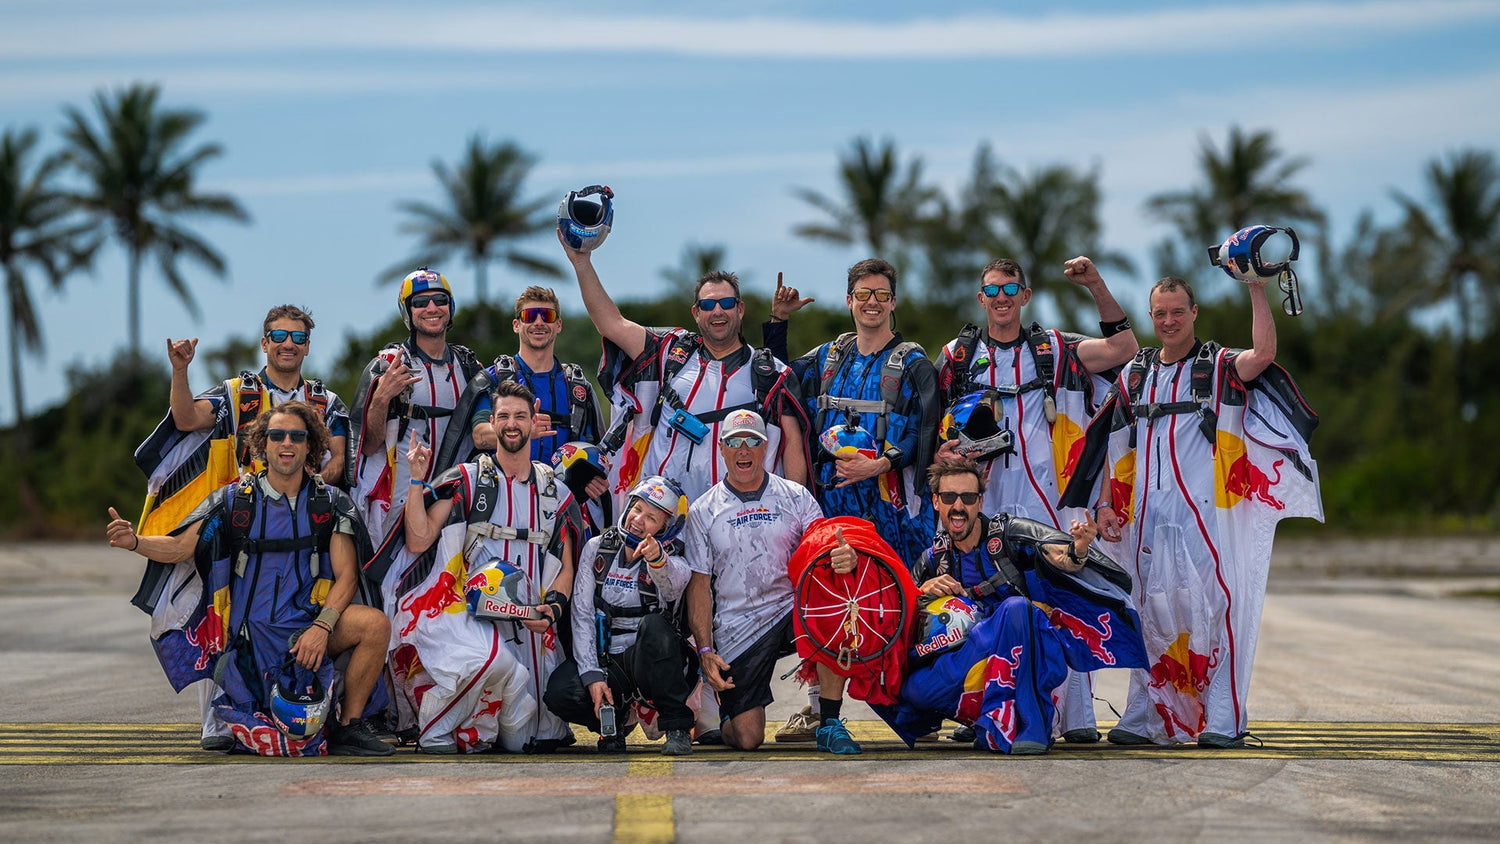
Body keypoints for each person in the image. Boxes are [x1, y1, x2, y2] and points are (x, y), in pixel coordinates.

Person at [1063, 276, 1321, 749]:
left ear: (1194, 312)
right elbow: (1113, 445)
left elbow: (1262, 355)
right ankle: (1146, 714)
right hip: (1147, 517)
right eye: (1159, 313)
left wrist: (1256, 288)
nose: (1168, 321)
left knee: (1215, 608)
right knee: (1145, 608)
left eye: (1177, 311)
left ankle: (1223, 714)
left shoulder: (1217, 365)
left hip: (1204, 517)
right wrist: (1103, 504)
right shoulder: (1136, 374)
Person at [107, 403, 393, 756]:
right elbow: (182, 547)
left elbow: (347, 576)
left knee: (375, 625)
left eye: (297, 436)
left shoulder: (330, 503)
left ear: (310, 446)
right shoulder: (233, 501)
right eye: (277, 435)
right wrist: (135, 542)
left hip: (309, 627)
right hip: (253, 641)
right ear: (262, 444)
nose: (286, 443)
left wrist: (321, 628)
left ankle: (349, 726)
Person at [933, 256, 1138, 743]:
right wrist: (938, 449)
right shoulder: (956, 358)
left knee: (1059, 591)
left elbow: (1125, 347)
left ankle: (1078, 717)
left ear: (1025, 297)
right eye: (992, 291)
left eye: (1011, 290)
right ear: (980, 298)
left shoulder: (1055, 348)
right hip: (984, 498)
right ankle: (984, 710)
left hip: (1050, 498)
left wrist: (1095, 284)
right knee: (983, 597)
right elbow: (930, 422)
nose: (1001, 299)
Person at [132, 304, 352, 751]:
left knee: (310, 613)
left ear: (308, 345)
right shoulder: (239, 393)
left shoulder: (327, 403)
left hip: (302, 527)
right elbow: (186, 419)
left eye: (297, 337)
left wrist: (302, 490)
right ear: (264, 341)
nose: (288, 343)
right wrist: (179, 371)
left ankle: (314, 709)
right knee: (214, 610)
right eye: (279, 335)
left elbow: (339, 462)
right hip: (238, 523)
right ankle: (217, 716)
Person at [766, 259, 939, 743]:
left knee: (900, 603)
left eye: (882, 295)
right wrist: (779, 323)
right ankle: (819, 709)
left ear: (894, 302)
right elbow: (777, 377)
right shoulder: (828, 357)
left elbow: (929, 427)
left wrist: (880, 465)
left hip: (892, 511)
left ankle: (915, 709)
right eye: (863, 294)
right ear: (849, 300)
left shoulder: (913, 363)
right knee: (828, 601)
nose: (871, 303)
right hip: (834, 510)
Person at [877, 458, 1146, 755]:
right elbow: (896, 614)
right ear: (936, 502)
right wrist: (921, 591)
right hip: (970, 660)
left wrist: (1078, 550)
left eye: (967, 498)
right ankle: (982, 719)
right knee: (910, 688)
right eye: (949, 497)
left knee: (1016, 608)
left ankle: (1032, 724)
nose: (958, 506)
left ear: (979, 501)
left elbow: (1055, 552)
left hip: (1028, 656)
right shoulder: (932, 559)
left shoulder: (1007, 534)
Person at [376, 379, 584, 754]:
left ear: (533, 420)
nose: (511, 423)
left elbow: (567, 566)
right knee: (493, 669)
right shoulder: (468, 480)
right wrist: (417, 480)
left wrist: (553, 608)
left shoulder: (556, 490)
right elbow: (419, 540)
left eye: (520, 416)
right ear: (493, 421)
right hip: (472, 621)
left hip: (533, 629)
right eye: (503, 415)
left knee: (524, 741)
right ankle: (434, 731)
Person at [559, 231, 810, 510]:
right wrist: (582, 262)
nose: (718, 311)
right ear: (695, 312)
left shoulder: (770, 372)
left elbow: (792, 447)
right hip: (663, 515)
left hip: (740, 517)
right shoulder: (670, 351)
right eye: (708, 305)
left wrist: (794, 512)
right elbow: (611, 324)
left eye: (726, 303)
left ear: (740, 310)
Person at [684, 410, 862, 753]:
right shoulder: (703, 510)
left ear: (766, 446)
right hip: (739, 626)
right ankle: (723, 718)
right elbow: (699, 587)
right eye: (734, 442)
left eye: (752, 441)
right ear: (721, 448)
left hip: (790, 609)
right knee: (748, 739)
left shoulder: (794, 496)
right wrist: (705, 650)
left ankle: (829, 722)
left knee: (836, 606)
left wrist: (846, 559)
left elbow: (826, 550)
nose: (744, 450)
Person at [544, 476, 696, 756]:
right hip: (608, 659)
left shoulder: (675, 558)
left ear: (665, 527)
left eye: (651, 518)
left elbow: (672, 586)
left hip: (651, 660)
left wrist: (657, 559)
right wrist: (592, 676)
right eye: (637, 509)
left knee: (656, 626)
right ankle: (613, 719)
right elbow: (582, 613)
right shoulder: (597, 547)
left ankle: (677, 725)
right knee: (560, 692)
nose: (639, 520)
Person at [348, 268, 482, 538]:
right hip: (396, 502)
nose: (432, 308)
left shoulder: (470, 367)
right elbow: (369, 445)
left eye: (440, 300)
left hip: (452, 500)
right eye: (420, 303)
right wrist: (383, 397)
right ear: (407, 311)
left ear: (451, 307)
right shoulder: (387, 366)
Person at [435, 286, 605, 470]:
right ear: (517, 325)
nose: (538, 322)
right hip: (507, 492)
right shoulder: (494, 379)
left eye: (547, 316)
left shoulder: (576, 386)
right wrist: (523, 430)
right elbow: (480, 436)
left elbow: (593, 445)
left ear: (558, 325)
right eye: (529, 316)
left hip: (564, 494)